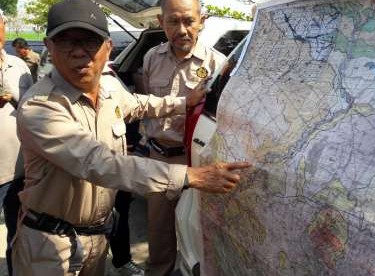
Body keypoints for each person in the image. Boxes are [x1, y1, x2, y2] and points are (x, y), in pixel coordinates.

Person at [12, 0, 250, 275]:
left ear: (108, 48)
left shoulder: (110, 86)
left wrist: (182, 103)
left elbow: (139, 103)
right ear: (49, 47)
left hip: (97, 239)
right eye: (66, 42)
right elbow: (100, 163)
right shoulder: (39, 107)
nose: (79, 53)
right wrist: (191, 176)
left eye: (90, 42)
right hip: (51, 246)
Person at [140, 0, 227, 274]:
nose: (182, 30)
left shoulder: (217, 63)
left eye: (188, 21)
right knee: (159, 237)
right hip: (158, 161)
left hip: (196, 163)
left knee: (198, 236)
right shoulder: (151, 57)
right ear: (160, 22)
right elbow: (146, 105)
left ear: (202, 20)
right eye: (173, 22)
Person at [0, 9, 34, 276]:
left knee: (18, 235)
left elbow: (33, 108)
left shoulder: (19, 65)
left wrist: (13, 100)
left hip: (17, 170)